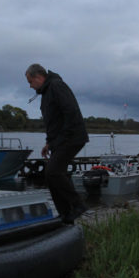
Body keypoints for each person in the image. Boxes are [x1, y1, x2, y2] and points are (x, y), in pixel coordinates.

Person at [25, 64, 89, 224]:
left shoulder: (56, 86)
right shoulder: (46, 92)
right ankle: (65, 214)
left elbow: (71, 112)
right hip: (61, 139)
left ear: (39, 77)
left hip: (72, 137)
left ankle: (78, 205)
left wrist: (61, 139)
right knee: (51, 174)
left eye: (30, 81)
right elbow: (53, 121)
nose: (30, 86)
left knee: (53, 172)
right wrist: (49, 143)